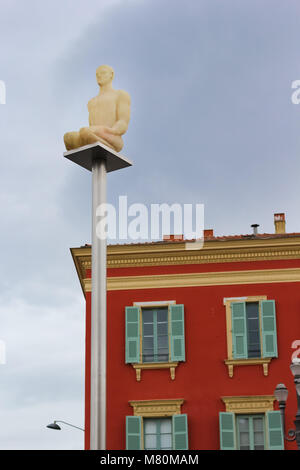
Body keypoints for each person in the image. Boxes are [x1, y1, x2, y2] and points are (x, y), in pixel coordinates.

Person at [64, 65, 131, 153]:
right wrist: (95, 130)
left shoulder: (120, 95)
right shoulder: (91, 102)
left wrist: (112, 130)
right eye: (97, 74)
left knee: (85, 132)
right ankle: (91, 141)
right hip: (93, 133)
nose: (99, 76)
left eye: (103, 73)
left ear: (111, 75)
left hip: (111, 136)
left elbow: (123, 121)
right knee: (68, 137)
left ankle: (103, 145)